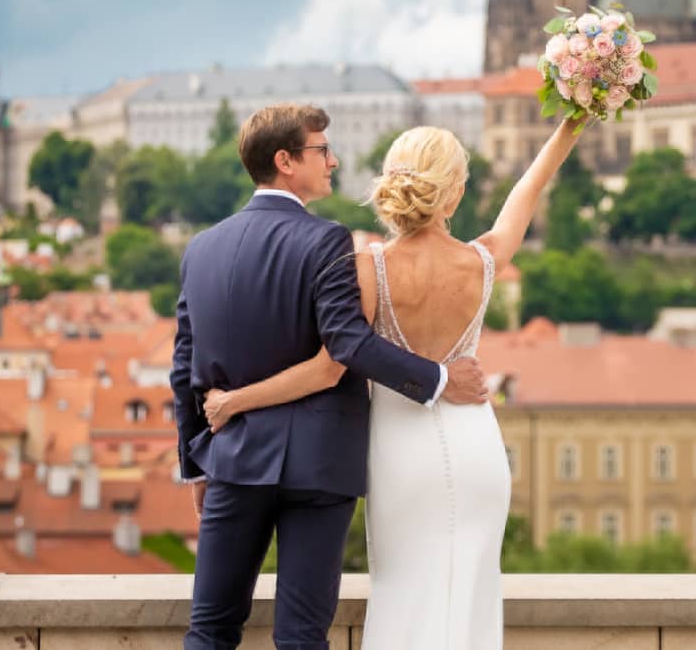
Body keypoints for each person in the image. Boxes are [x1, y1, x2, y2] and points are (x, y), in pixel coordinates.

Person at [203, 117, 583, 648]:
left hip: (399, 446)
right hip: (475, 443)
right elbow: (530, 186)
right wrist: (570, 124)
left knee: (402, 585)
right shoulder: (484, 260)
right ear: (452, 194)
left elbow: (328, 366)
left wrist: (235, 402)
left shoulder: (366, 267)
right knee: (471, 589)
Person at [169, 103, 491, 650]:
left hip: (232, 459)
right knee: (301, 637)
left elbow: (184, 365)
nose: (334, 161)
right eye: (322, 150)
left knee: (210, 629)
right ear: (285, 161)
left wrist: (195, 465)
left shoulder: (201, 249)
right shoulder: (326, 242)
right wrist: (439, 380)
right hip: (318, 467)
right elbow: (347, 344)